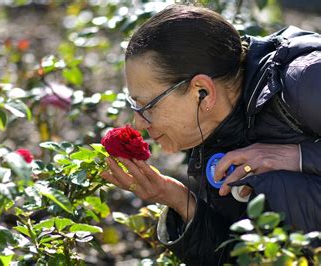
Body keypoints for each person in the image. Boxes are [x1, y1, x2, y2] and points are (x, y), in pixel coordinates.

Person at [101, 4, 321, 265]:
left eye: (147, 106)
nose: (138, 123)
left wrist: (297, 156)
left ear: (202, 91)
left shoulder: (305, 81)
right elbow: (235, 258)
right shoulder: (212, 136)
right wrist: (180, 201)